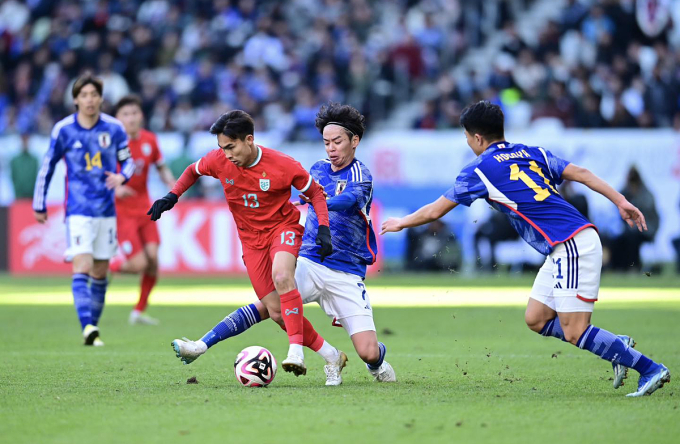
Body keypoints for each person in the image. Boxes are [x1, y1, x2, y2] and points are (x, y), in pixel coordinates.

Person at [381, 101, 670, 397]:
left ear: (477, 137)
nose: (467, 142)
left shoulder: (480, 169)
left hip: (570, 243)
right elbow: (581, 173)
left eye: (467, 136)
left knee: (574, 330)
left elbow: (434, 211)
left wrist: (402, 222)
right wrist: (620, 200)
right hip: (567, 243)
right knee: (536, 318)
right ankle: (614, 346)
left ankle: (649, 368)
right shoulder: (532, 152)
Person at [175, 103, 397, 385]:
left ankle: (377, 362)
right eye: (326, 142)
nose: (330, 148)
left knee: (367, 352)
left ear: (355, 141)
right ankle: (202, 344)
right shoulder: (317, 169)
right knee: (270, 304)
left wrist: (322, 202)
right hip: (311, 260)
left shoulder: (359, 175)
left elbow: (349, 200)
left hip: (346, 271)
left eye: (337, 142)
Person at [148, 110, 339, 377]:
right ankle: (332, 355)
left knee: (283, 276)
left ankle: (296, 351)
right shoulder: (219, 160)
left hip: (282, 229)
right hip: (250, 242)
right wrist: (172, 195)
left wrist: (324, 229)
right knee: (276, 312)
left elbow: (315, 194)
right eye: (221, 148)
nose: (226, 154)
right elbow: (193, 170)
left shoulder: (283, 165)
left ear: (249, 139)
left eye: (230, 146)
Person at [32, 73, 134, 346]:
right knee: (83, 265)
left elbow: (129, 163)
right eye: (84, 95)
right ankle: (88, 327)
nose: (89, 100)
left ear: (101, 98)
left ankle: (92, 326)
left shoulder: (114, 128)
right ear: (75, 99)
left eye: (94, 94)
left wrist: (122, 177)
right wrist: (39, 203)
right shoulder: (63, 129)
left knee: (101, 272)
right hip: (77, 210)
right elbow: (47, 166)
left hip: (106, 211)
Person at [110, 95, 176, 325]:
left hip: (146, 209)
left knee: (154, 260)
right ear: (118, 119)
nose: (130, 118)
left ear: (141, 115)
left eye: (134, 113)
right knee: (139, 264)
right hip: (123, 212)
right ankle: (107, 267)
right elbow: (99, 175)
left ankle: (138, 311)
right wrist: (115, 190)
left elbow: (161, 166)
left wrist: (172, 183)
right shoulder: (112, 143)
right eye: (125, 114)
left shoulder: (150, 139)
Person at [10, 133, 39, 199]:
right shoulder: (15, 160)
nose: (25, 143)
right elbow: (13, 177)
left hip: (31, 195)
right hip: (19, 195)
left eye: (26, 141)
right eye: (23, 141)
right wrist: (17, 190)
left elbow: (36, 176)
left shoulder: (34, 160)